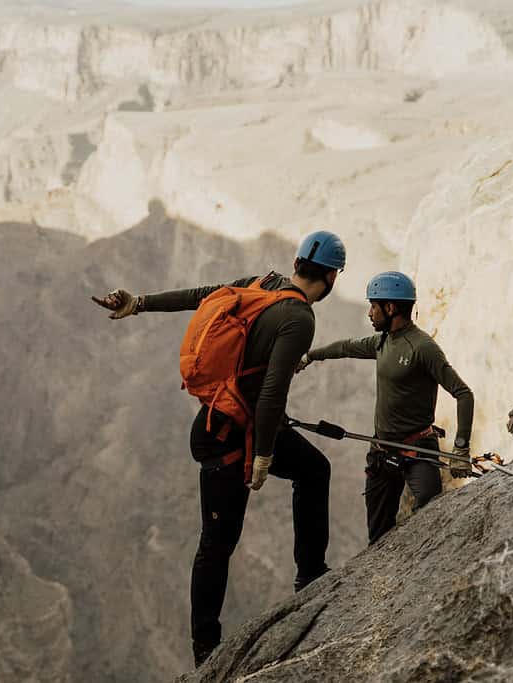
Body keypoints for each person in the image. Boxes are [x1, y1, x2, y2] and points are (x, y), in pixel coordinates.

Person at [91, 230, 345, 667]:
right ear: (331, 277)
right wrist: (263, 455)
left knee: (313, 469)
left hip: (226, 422)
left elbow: (205, 295)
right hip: (229, 435)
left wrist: (141, 303)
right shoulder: (299, 319)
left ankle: (309, 574)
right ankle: (206, 649)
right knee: (218, 541)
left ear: (298, 262)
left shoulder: (262, 283)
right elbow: (271, 394)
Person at [296, 271, 474, 544]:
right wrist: (310, 356)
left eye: (373, 306)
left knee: (430, 510)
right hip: (381, 451)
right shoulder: (382, 341)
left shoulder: (422, 348)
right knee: (378, 538)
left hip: (419, 449)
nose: (369, 313)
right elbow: (346, 347)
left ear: (390, 308)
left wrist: (461, 448)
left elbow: (463, 393)